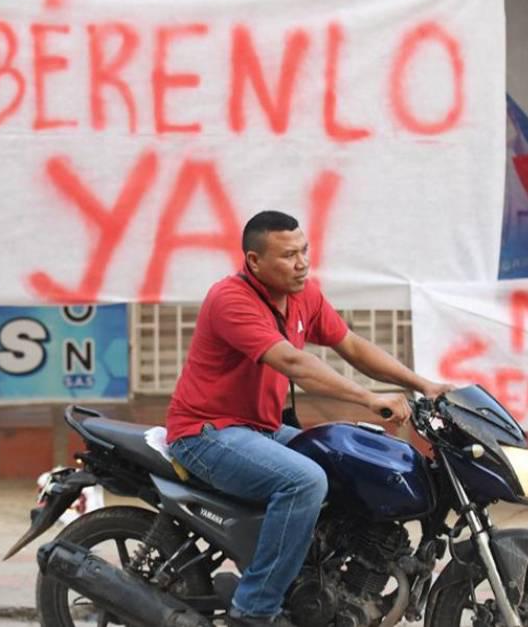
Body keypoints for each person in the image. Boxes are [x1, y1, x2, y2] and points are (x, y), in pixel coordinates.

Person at [166, 210, 452, 627]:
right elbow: (294, 363)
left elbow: (351, 345)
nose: (301, 263)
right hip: (206, 433)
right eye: (287, 255)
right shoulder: (231, 301)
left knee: (348, 461)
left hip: (258, 428)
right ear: (254, 261)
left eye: (304, 251)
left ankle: (320, 577)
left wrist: (423, 384)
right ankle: (254, 610)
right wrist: (367, 399)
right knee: (304, 481)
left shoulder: (303, 295)